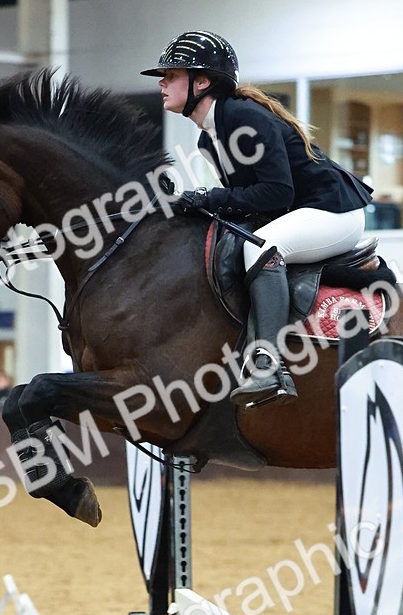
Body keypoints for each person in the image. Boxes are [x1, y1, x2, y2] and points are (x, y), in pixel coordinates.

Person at [142, 30, 373, 407]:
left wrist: (208, 197)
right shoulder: (208, 138)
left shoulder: (243, 117)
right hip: (303, 213)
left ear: (202, 82)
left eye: (171, 75)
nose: (162, 83)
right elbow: (249, 202)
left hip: (334, 213)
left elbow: (276, 192)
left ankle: (268, 363)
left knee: (261, 249)